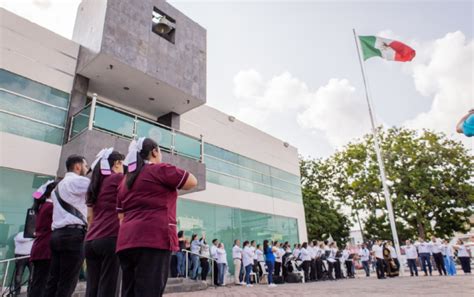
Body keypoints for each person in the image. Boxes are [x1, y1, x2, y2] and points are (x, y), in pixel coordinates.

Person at [116, 138, 197, 297]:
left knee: (129, 292)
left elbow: (121, 216)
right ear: (154, 151)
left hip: (126, 242)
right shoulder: (160, 170)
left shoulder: (124, 181)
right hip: (154, 240)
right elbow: (192, 181)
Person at [45, 155, 90, 297]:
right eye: (86, 166)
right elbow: (97, 187)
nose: (87, 169)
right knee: (67, 281)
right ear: (78, 166)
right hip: (74, 235)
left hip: (57, 235)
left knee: (53, 280)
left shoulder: (56, 188)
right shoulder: (78, 181)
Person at [84, 148, 124, 297]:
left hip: (91, 241)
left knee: (92, 289)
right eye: (122, 164)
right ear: (117, 163)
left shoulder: (94, 185)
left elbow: (90, 218)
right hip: (110, 237)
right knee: (108, 288)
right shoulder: (117, 178)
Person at [28, 180, 57, 297]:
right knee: (42, 284)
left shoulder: (42, 206)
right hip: (46, 249)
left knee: (38, 282)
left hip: (39, 249)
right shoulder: (50, 207)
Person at [13, 231, 34, 296]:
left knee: (32, 276)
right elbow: (21, 239)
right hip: (20, 256)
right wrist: (32, 238)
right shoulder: (20, 234)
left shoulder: (34, 235)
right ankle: (17, 292)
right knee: (18, 275)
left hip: (30, 256)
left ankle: (30, 292)